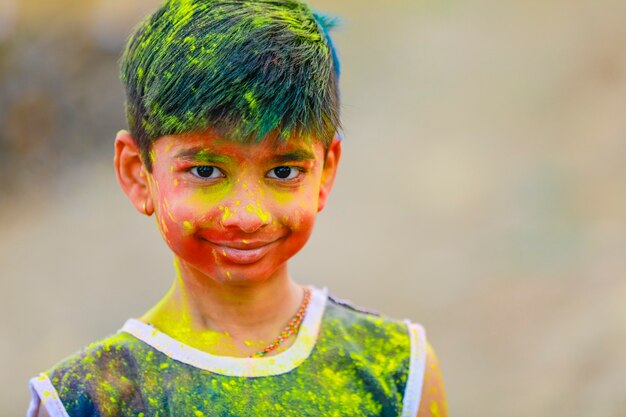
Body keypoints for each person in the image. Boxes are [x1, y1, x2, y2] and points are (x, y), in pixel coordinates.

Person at [27, 0, 448, 416]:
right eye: (206, 170)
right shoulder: (86, 399)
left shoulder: (397, 370)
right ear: (140, 174)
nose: (247, 216)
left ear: (325, 172)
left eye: (283, 172)